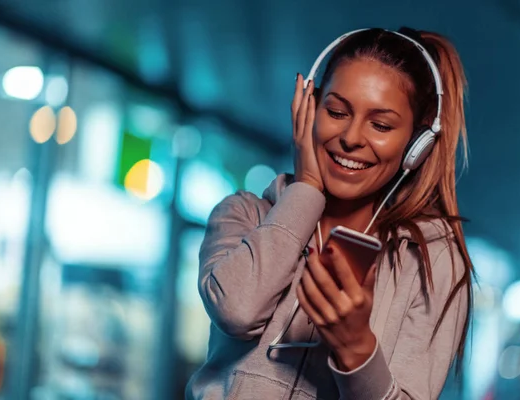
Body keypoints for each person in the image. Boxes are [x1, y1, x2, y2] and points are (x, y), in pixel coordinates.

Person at [186, 27, 474, 400]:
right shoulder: (243, 215)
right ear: (309, 110)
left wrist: (357, 349)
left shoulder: (431, 262)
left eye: (381, 125)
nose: (352, 137)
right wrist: (306, 187)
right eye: (337, 111)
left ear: (416, 145)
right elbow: (237, 312)